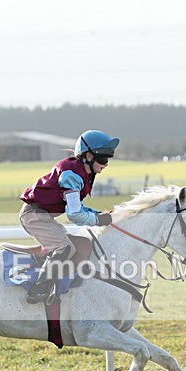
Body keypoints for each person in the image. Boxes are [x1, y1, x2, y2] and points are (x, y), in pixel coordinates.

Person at [19, 130, 119, 304]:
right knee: (64, 247)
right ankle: (37, 290)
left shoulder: (80, 172)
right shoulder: (71, 175)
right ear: (88, 156)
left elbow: (77, 207)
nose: (106, 164)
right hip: (34, 215)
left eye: (108, 159)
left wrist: (97, 214)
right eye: (103, 159)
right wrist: (97, 220)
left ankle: (61, 284)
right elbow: (74, 214)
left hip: (43, 216)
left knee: (80, 245)